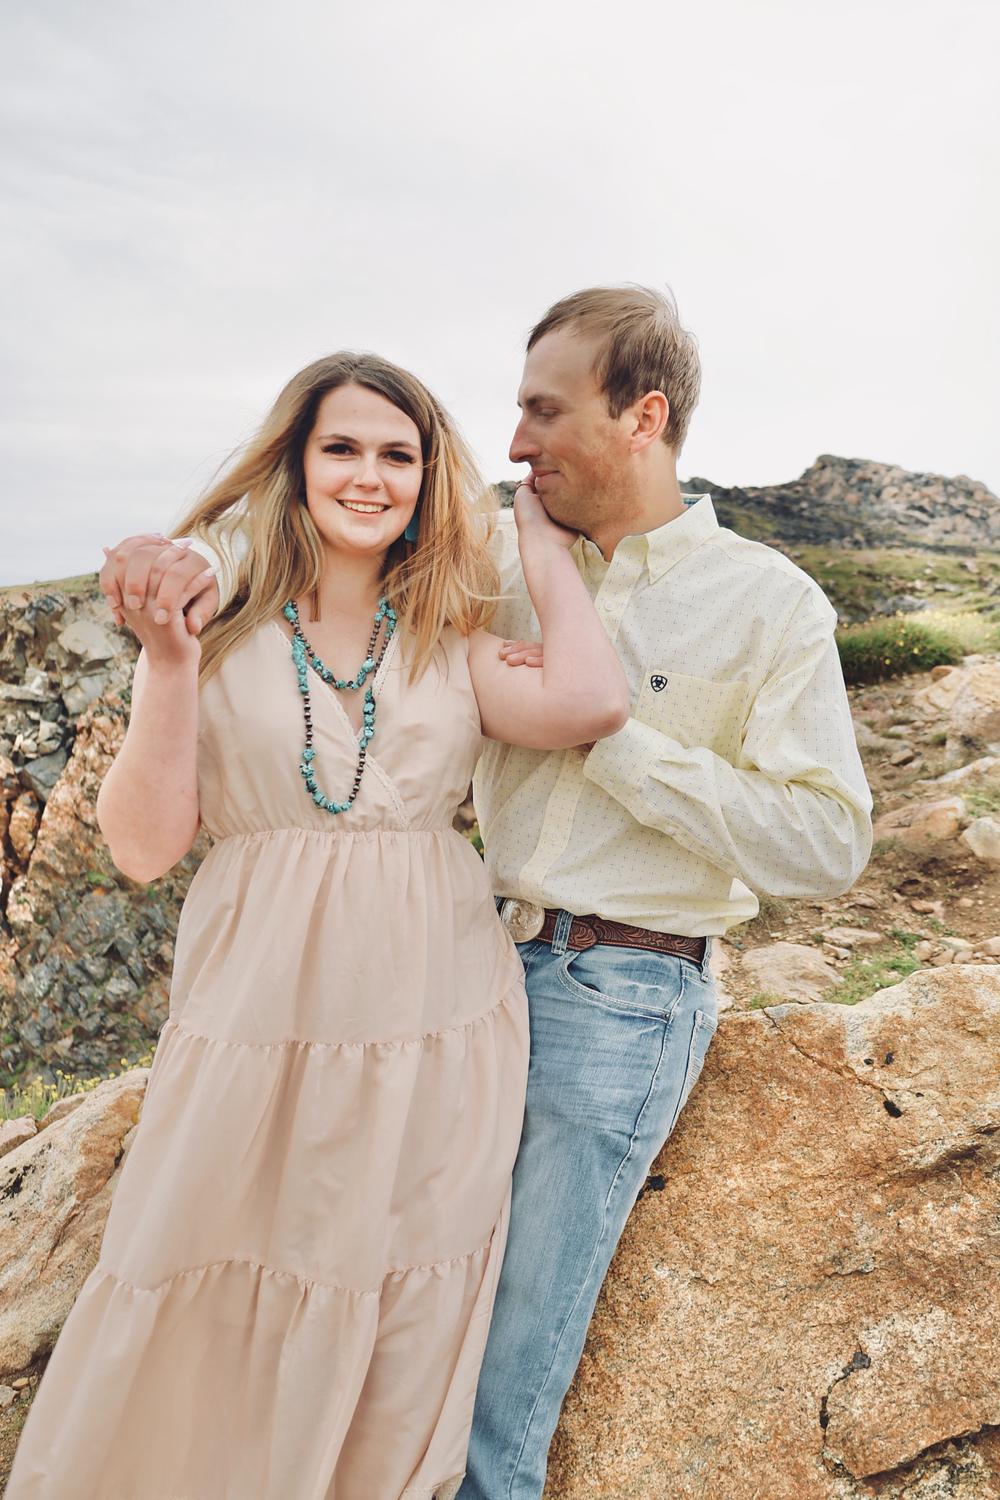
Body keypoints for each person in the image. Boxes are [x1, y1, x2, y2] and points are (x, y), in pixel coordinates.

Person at [83, 285, 874, 1498]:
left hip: (623, 989)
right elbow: (322, 551)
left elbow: (824, 845)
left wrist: (617, 750)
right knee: (393, 1324)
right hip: (464, 981)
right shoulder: (477, 565)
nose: (511, 441)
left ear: (642, 417)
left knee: (491, 1384)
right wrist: (180, 556)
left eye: (542, 411)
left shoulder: (766, 603)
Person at [5, 351, 630, 1500]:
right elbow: (142, 847)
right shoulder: (214, 635)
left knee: (397, 1303)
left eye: (399, 455)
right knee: (200, 1270)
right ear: (294, 464)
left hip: (434, 1031)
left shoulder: (449, 646)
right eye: (341, 447)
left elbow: (592, 701)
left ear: (428, 480)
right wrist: (167, 661)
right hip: (257, 1026)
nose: (369, 476)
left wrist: (538, 545)